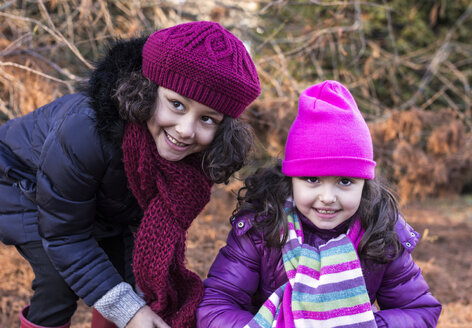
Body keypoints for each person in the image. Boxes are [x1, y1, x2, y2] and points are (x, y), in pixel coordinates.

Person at [0, 21, 261, 328]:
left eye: (207, 119)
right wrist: (130, 312)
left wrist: (136, 303)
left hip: (98, 202)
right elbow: (65, 234)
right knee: (59, 282)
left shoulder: (191, 159)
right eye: (176, 104)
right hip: (18, 178)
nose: (186, 130)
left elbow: (145, 233)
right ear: (146, 91)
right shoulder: (85, 131)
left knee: (127, 277)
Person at [197, 81, 441, 327]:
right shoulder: (262, 227)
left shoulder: (380, 231)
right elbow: (217, 304)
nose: (327, 197)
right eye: (312, 179)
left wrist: (361, 323)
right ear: (291, 179)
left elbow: (420, 309)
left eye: (345, 181)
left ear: (364, 184)